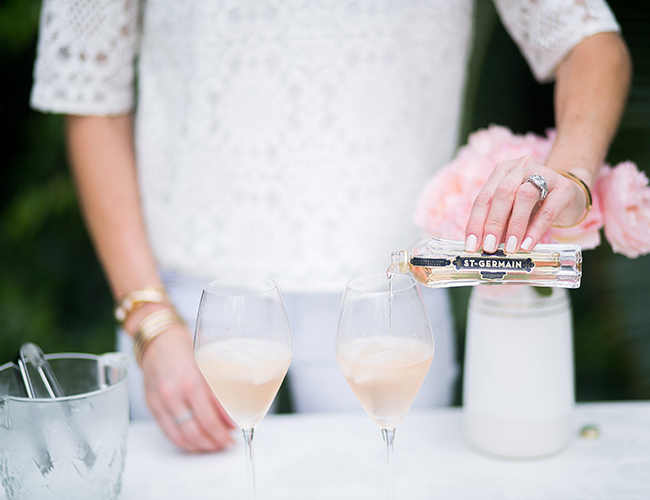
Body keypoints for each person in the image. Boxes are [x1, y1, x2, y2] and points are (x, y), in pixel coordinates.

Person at [30, 0, 630, 453]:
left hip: (393, 301)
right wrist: (148, 317)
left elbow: (588, 40)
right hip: (190, 308)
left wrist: (572, 177)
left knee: (385, 483)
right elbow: (90, 92)